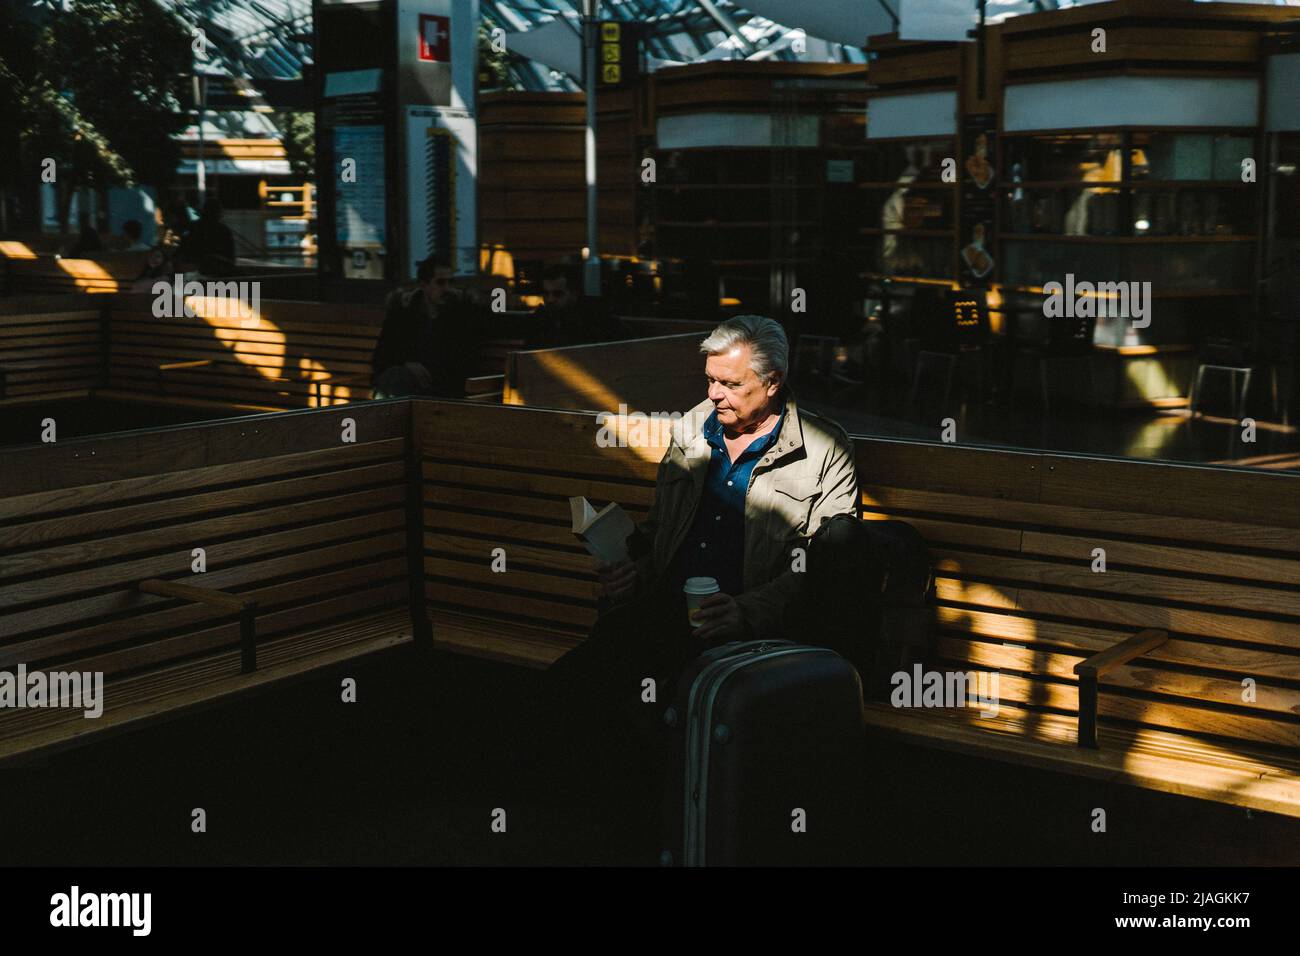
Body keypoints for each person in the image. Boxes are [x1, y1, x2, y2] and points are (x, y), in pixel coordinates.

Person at [514, 315, 861, 837]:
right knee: (562, 693)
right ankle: (618, 820)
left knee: (663, 705)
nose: (715, 394)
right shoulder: (692, 428)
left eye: (731, 383)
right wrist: (636, 570)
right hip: (668, 610)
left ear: (772, 382)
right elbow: (661, 531)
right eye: (710, 379)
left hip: (748, 633)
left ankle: (663, 826)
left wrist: (745, 611)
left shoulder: (824, 449)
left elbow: (818, 569)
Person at [371, 255, 483, 399]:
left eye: (451, 282)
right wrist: (407, 364)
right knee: (396, 378)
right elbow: (381, 357)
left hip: (444, 387)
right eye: (440, 283)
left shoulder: (460, 315)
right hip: (408, 386)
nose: (447, 288)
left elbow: (466, 360)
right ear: (424, 285)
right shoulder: (403, 315)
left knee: (394, 385)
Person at [530, 262, 624, 348]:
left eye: (558, 294)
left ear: (574, 293)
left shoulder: (596, 319)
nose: (550, 300)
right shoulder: (541, 320)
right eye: (546, 293)